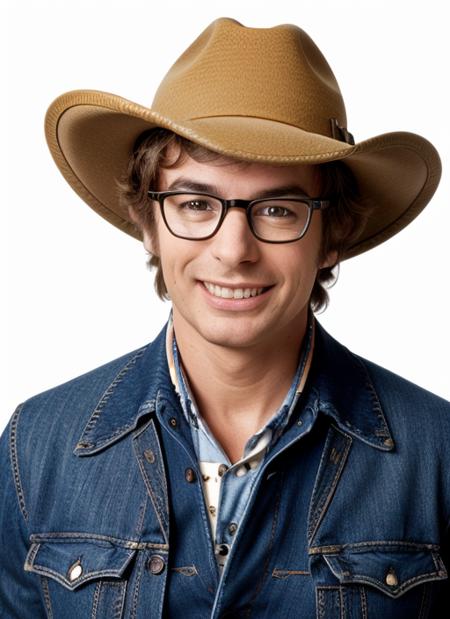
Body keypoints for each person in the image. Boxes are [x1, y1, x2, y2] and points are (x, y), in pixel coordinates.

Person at [1, 16, 449, 618]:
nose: (234, 250)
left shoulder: (437, 454)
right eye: (194, 203)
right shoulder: (36, 447)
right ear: (149, 222)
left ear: (333, 233)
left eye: (278, 209)